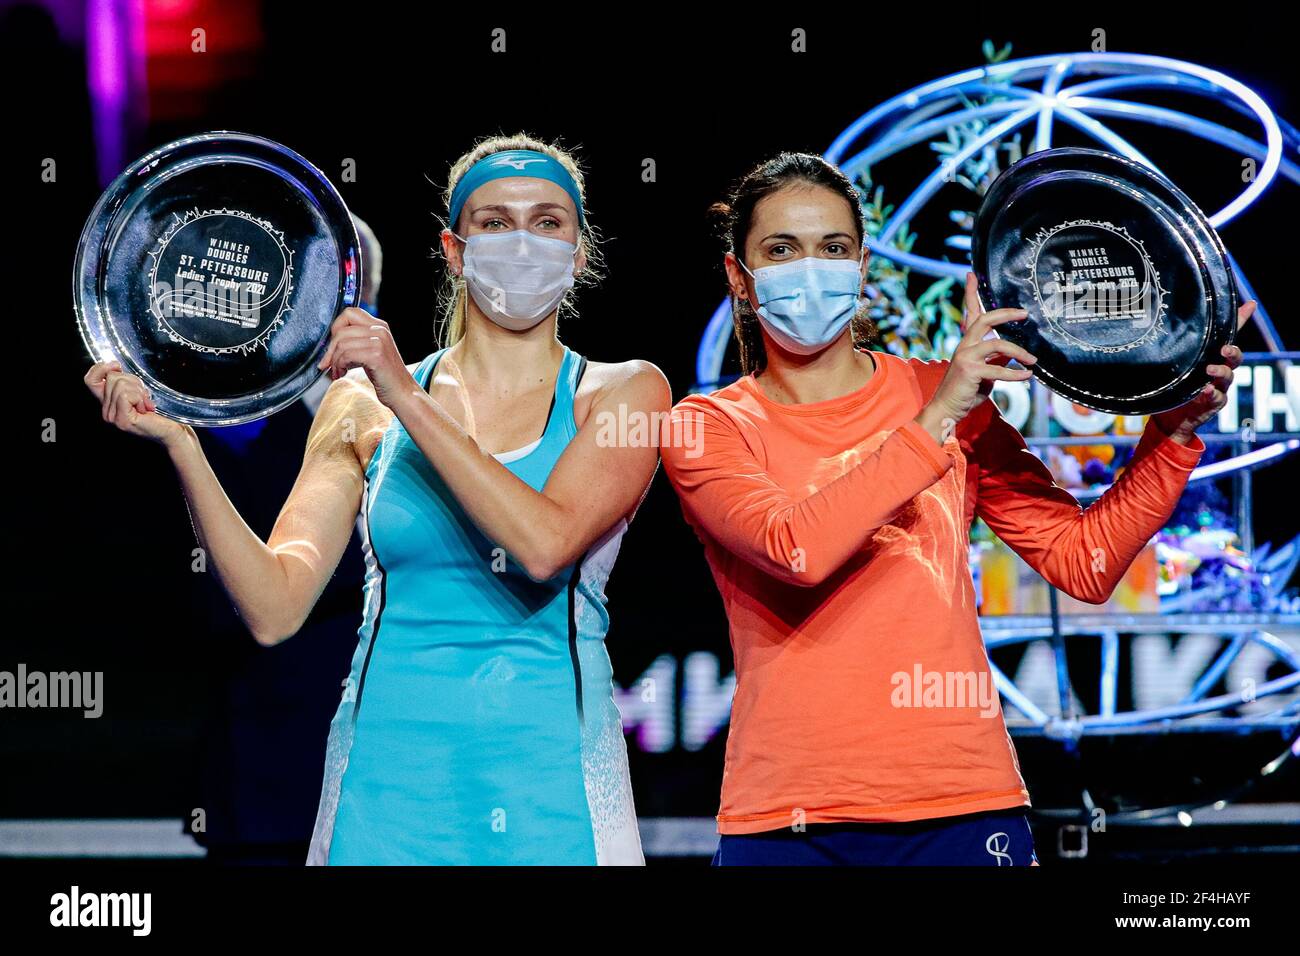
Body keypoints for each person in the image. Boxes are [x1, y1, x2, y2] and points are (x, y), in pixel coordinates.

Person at [85, 134, 669, 865]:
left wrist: (405, 396)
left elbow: (543, 546)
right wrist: (183, 445)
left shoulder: (623, 392)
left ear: (580, 252)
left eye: (547, 222)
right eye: (494, 222)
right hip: (381, 796)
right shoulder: (359, 405)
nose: (522, 241)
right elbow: (274, 607)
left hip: (554, 794)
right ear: (453, 250)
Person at [659, 152, 1249, 865]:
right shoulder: (707, 426)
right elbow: (795, 550)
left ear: (863, 268)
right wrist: (939, 412)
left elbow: (1083, 563)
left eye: (834, 248)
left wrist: (1171, 434)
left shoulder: (945, 399)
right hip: (789, 820)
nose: (810, 268)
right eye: (781, 250)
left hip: (964, 807)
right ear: (739, 280)